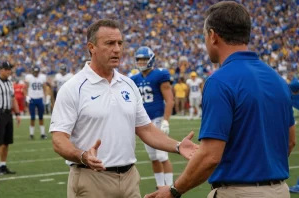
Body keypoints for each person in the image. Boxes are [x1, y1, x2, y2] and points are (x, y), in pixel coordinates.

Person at [145, 2, 295, 198]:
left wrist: (174, 190)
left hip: (238, 191)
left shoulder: (220, 80)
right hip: (279, 190)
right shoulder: (278, 80)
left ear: (213, 35)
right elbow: (290, 141)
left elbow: (210, 156)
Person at [49, 19, 198, 198]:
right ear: (92, 47)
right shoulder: (73, 87)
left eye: (120, 43)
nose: (117, 49)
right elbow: (58, 139)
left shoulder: (128, 84)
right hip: (91, 179)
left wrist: (178, 146)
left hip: (129, 179)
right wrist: (82, 155)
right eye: (110, 43)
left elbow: (146, 129)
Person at [131, 46, 175, 188]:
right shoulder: (134, 79)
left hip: (157, 118)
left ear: (151, 60)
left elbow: (169, 99)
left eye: (144, 59)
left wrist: (166, 121)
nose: (141, 62)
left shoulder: (160, 75)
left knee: (162, 156)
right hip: (144, 122)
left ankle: (168, 187)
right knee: (153, 158)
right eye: (139, 60)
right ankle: (160, 186)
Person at [24, 66, 47, 140]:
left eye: (37, 72)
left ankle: (42, 134)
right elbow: (25, 88)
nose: (36, 73)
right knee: (32, 117)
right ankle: (31, 134)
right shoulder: (29, 78)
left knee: (41, 117)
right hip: (32, 99)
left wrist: (45, 97)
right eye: (34, 72)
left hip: (40, 98)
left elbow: (44, 88)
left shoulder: (42, 77)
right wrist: (27, 96)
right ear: (32, 71)